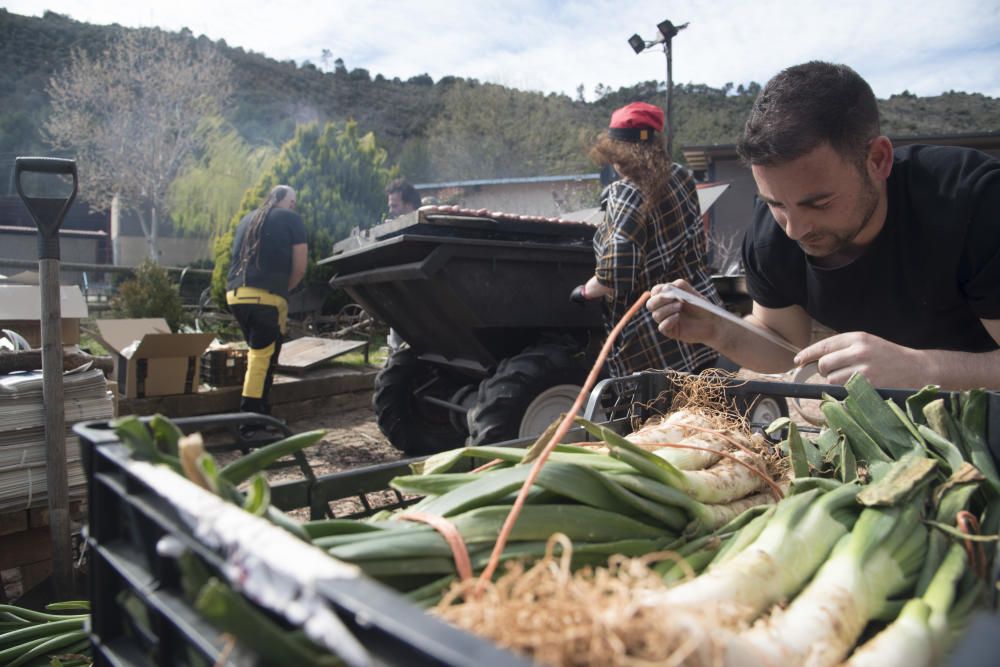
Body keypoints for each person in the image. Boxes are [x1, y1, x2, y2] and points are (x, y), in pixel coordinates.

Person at [648, 61, 1000, 390]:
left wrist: (921, 369)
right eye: (775, 204)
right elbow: (784, 344)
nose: (795, 229)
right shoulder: (771, 237)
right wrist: (718, 329)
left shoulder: (974, 202)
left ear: (878, 160)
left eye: (818, 203)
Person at [571, 101, 721, 378]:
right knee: (702, 410)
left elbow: (615, 274)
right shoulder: (682, 176)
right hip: (698, 314)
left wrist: (583, 292)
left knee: (662, 418)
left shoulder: (626, 192)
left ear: (619, 154)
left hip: (654, 338)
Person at [226, 185, 308, 416]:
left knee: (263, 355)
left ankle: (262, 410)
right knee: (261, 358)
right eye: (294, 200)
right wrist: (283, 289)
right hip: (266, 297)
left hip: (235, 295)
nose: (294, 205)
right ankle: (250, 421)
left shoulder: (247, 219)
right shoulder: (291, 218)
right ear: (286, 201)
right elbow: (300, 268)